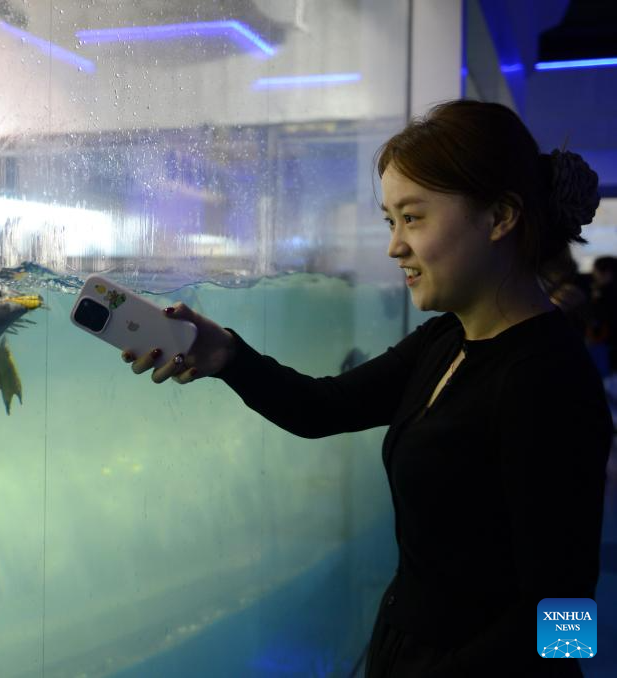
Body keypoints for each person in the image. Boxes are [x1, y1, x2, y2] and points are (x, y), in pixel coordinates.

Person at [124, 100, 612, 677]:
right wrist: (226, 354)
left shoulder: (550, 381)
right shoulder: (446, 339)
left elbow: (567, 622)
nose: (394, 246)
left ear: (500, 216)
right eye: (390, 221)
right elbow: (322, 408)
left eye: (414, 218)